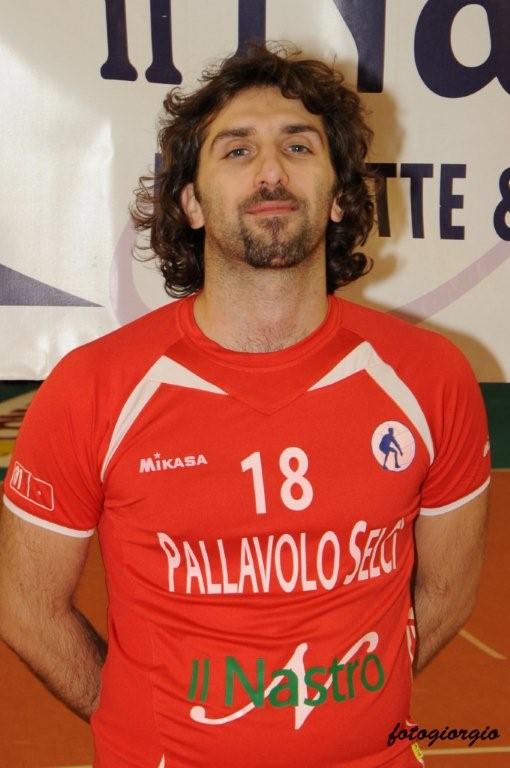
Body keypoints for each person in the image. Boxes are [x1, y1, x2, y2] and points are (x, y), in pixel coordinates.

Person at [0, 44, 490, 768]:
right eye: (237, 150)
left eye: (298, 145)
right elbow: (25, 607)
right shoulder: (92, 390)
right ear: (192, 203)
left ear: (341, 195)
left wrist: (353, 712)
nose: (270, 171)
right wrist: (136, 717)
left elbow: (447, 595)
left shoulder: (430, 377)